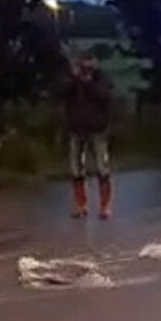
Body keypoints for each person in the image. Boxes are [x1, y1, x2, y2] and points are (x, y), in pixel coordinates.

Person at [59, 51, 114, 219]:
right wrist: (74, 78)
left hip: (96, 130)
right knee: (76, 170)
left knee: (101, 168)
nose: (86, 67)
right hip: (76, 129)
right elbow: (60, 91)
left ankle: (105, 207)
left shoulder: (102, 78)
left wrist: (88, 82)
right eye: (84, 63)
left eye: (90, 63)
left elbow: (103, 96)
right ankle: (81, 205)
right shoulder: (72, 79)